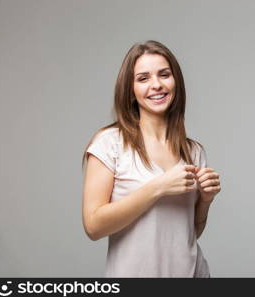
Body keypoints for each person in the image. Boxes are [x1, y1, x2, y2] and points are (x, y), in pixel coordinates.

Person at [81, 40, 221, 278]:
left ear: (175, 82)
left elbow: (189, 233)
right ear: (131, 91)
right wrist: (159, 187)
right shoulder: (110, 143)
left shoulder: (193, 151)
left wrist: (205, 201)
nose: (156, 85)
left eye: (164, 75)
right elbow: (93, 226)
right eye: (143, 78)